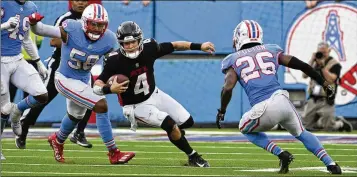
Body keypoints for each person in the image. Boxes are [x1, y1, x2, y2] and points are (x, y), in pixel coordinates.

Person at [216, 20, 342, 174]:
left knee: (244, 127)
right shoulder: (272, 50)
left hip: (263, 107)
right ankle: (331, 164)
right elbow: (302, 65)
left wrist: (222, 110)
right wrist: (324, 83)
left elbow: (228, 87)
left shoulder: (233, 59)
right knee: (302, 133)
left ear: (238, 37)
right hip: (283, 101)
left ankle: (281, 154)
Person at [94, 21, 214, 167]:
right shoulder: (114, 60)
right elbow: (97, 85)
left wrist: (199, 46)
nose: (130, 46)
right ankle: (193, 156)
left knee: (187, 122)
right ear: (121, 44)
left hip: (154, 94)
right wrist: (109, 89)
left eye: (133, 42)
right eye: (126, 43)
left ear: (140, 40)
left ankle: (176, 135)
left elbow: (174, 46)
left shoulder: (149, 48)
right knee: (170, 124)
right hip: (135, 106)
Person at [28, 4, 135, 164]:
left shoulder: (109, 39)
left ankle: (57, 140)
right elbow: (42, 30)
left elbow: (112, 64)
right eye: (94, 24)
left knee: (75, 115)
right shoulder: (71, 28)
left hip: (83, 80)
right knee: (101, 105)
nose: (98, 28)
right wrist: (33, 23)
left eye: (101, 25)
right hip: (64, 78)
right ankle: (114, 152)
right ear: (85, 22)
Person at [15, 0, 95, 150]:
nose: (81, 3)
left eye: (84, 0)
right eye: (78, 0)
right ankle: (24, 125)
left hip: (80, 67)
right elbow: (53, 41)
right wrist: (76, 40)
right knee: (43, 97)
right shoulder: (65, 18)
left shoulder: (91, 19)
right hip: (60, 64)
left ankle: (79, 132)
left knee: (90, 96)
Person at [1, 0, 49, 159]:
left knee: (42, 94)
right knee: (3, 108)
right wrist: (4, 26)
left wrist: (38, 61)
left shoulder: (30, 7)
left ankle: (17, 112)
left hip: (17, 58)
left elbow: (26, 38)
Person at [302, 41, 352, 132]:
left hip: (326, 99)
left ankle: (340, 124)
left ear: (329, 51)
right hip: (313, 98)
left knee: (329, 127)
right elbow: (304, 75)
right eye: (320, 52)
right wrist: (311, 60)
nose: (322, 55)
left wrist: (322, 67)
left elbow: (331, 79)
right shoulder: (314, 63)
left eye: (324, 52)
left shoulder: (335, 64)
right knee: (305, 126)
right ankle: (318, 123)